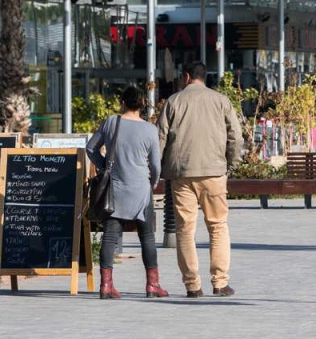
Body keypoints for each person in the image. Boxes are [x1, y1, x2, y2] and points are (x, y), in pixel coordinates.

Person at [157, 61, 243, 297]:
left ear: (186, 76)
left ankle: (192, 285)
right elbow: (235, 136)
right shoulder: (221, 101)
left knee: (185, 229)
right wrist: (230, 165)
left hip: (182, 174)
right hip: (214, 172)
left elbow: (160, 139)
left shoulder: (174, 101)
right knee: (218, 226)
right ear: (204, 77)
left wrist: (156, 169)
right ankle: (220, 282)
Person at [86, 86, 167, 300]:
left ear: (122, 102)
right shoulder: (150, 130)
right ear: (142, 105)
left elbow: (90, 148)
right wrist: (153, 182)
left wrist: (104, 167)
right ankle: (152, 285)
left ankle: (106, 285)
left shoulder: (112, 123)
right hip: (141, 190)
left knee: (110, 236)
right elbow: (156, 166)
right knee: (147, 237)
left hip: (116, 189)